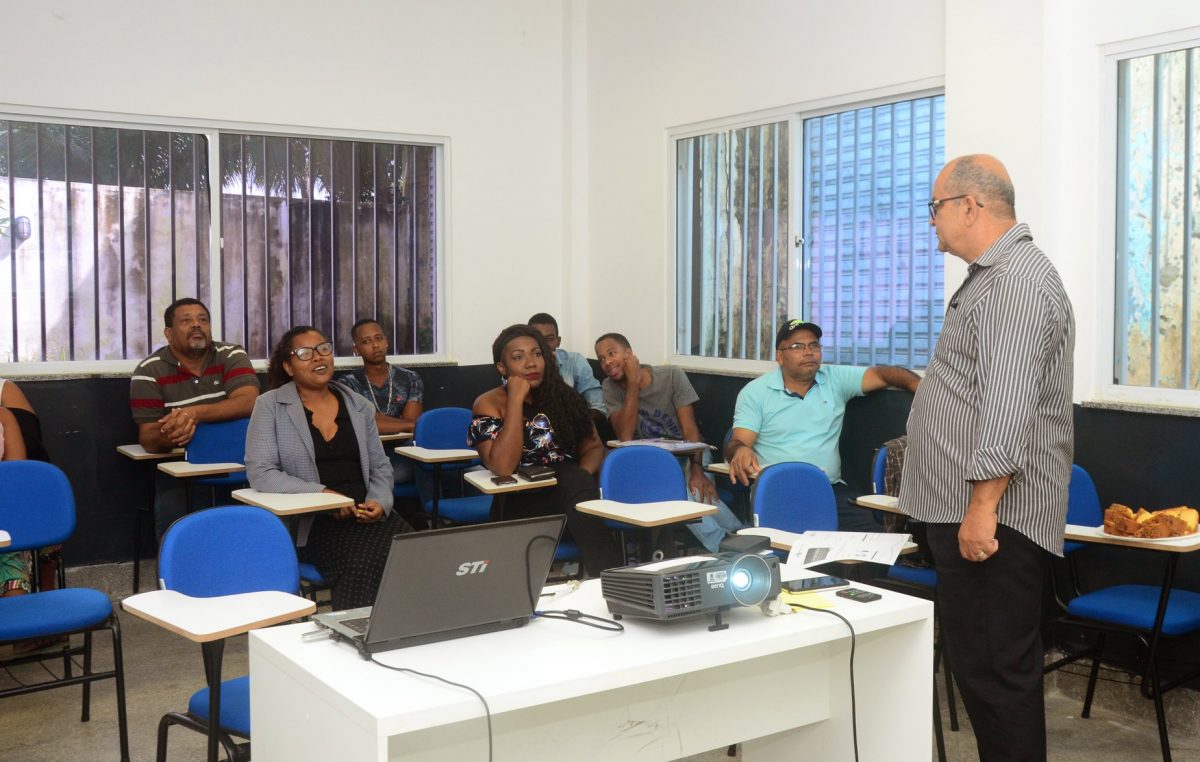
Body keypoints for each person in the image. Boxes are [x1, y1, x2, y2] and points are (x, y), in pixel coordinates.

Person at [898, 154, 1074, 762]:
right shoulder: (995, 276)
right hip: (978, 513)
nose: (931, 221)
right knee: (987, 673)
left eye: (935, 207)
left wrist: (981, 508)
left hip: (994, 522)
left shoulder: (1015, 282)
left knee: (997, 678)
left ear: (970, 206)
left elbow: (1006, 405)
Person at [245, 326, 408, 610]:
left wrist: (380, 502)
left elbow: (380, 466)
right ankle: (354, 632)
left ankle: (407, 629)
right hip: (314, 523)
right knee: (362, 562)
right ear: (288, 367)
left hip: (366, 513)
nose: (318, 357)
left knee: (414, 550)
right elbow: (261, 472)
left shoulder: (359, 405)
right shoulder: (270, 405)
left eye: (323, 348)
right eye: (304, 353)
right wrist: (323, 495)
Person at [724, 319, 921, 532]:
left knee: (883, 536)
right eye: (798, 347)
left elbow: (884, 374)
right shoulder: (755, 392)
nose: (808, 352)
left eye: (814, 345)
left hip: (829, 490)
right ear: (780, 356)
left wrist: (924, 390)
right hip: (780, 493)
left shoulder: (834, 379)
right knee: (799, 544)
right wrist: (741, 450)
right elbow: (737, 443)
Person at [468, 324, 622, 576]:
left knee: (576, 479)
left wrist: (579, 482)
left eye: (537, 354)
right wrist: (515, 400)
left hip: (572, 500)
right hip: (519, 503)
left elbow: (594, 447)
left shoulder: (565, 396)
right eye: (518, 357)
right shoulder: (489, 402)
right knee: (577, 484)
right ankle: (614, 581)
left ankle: (612, 579)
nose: (531, 363)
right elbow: (503, 467)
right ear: (502, 368)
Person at [593, 332, 743, 552]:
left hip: (690, 452)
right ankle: (734, 543)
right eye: (601, 359)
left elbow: (690, 429)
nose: (607, 362)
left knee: (697, 491)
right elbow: (625, 435)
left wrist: (697, 469)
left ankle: (738, 539)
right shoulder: (609, 387)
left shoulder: (671, 375)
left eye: (611, 353)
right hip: (653, 461)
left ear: (629, 354)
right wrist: (633, 384)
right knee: (678, 496)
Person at [130, 298, 260, 534]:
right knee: (176, 522)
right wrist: (173, 431)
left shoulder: (230, 354)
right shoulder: (149, 371)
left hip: (243, 464)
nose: (197, 325)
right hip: (183, 469)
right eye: (186, 321)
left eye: (203, 320)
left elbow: (249, 402)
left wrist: (193, 414)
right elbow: (148, 436)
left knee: (254, 528)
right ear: (169, 333)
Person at [340, 317, 424, 486]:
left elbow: (413, 422)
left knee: (425, 468)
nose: (375, 345)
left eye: (379, 338)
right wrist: (403, 424)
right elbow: (362, 425)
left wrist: (376, 419)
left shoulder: (410, 378)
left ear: (386, 342)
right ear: (356, 349)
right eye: (366, 341)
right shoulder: (347, 384)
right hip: (367, 456)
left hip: (404, 451)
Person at [527, 313, 606, 421]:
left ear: (558, 341)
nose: (543, 345)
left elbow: (597, 405)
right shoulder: (522, 366)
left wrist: (576, 422)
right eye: (538, 339)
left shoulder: (575, 361)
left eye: (549, 339)